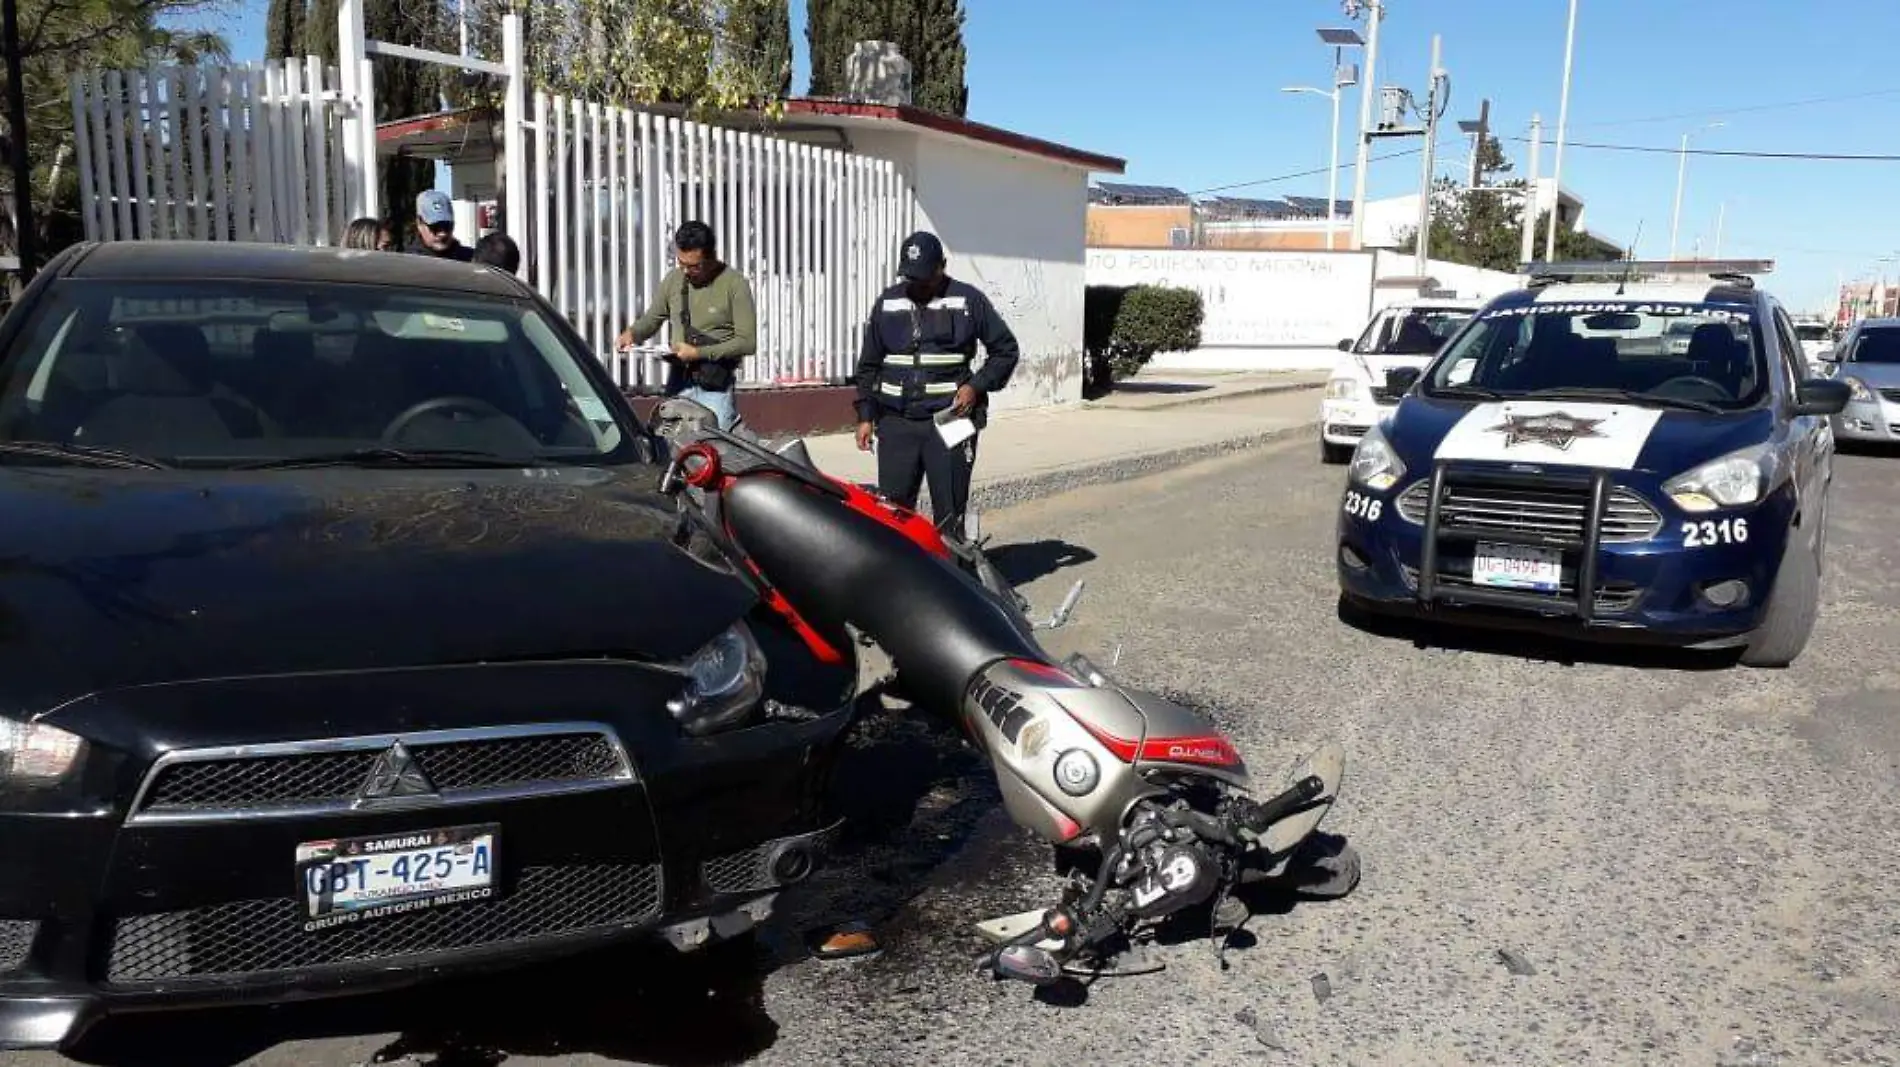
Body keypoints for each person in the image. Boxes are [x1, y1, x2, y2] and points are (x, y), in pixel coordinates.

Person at [853, 231, 1019, 539]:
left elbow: (1006, 350)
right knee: (893, 513)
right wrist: (865, 416)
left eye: (925, 277)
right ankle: (903, 581)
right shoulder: (888, 303)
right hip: (896, 421)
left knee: (950, 511)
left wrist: (976, 386)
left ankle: (954, 576)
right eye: (911, 277)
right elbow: (868, 366)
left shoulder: (968, 300)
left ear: (942, 266)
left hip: (951, 418)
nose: (918, 285)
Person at [615, 221, 757, 431]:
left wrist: (698, 353)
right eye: (681, 263)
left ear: (711, 257)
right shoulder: (674, 280)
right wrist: (632, 334)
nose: (686, 271)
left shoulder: (735, 285)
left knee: (716, 447)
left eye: (694, 266)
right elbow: (653, 318)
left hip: (714, 385)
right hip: (679, 382)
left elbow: (747, 342)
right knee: (668, 444)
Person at [409, 190, 475, 262]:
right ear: (419, 223)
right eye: (435, 227)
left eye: (447, 226)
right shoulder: (407, 263)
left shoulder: (472, 259)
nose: (442, 234)